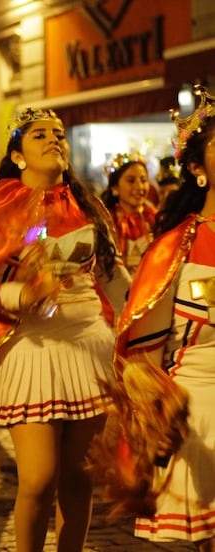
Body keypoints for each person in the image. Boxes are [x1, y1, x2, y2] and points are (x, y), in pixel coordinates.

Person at [0, 107, 130, 552]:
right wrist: (23, 296)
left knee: (79, 477)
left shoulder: (88, 205)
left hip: (89, 346)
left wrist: (150, 323)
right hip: (29, 347)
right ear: (17, 154)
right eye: (39, 135)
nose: (54, 140)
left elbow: (114, 278)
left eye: (59, 134)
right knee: (38, 477)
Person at [90, 85, 215, 550]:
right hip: (199, 403)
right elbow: (142, 352)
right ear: (198, 170)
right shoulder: (173, 249)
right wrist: (152, 416)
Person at [100, 152, 157, 273]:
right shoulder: (107, 220)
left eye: (143, 180)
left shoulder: (155, 218)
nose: (139, 186)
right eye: (131, 181)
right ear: (115, 188)